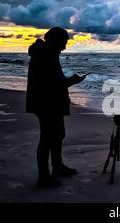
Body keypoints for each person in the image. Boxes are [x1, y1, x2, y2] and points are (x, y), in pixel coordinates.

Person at [26, 27, 86, 188]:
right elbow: (52, 84)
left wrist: (69, 80)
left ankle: (57, 168)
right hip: (47, 104)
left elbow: (53, 81)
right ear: (55, 40)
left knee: (57, 135)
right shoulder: (46, 56)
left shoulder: (45, 54)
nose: (65, 47)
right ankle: (44, 176)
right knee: (47, 139)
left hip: (47, 102)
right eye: (64, 43)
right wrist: (72, 80)